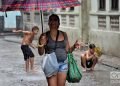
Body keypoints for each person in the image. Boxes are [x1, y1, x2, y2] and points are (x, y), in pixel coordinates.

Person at [38, 14, 80, 86]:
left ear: (59, 23)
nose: (53, 22)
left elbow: (68, 51)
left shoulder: (64, 34)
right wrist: (42, 44)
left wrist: (74, 46)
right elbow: (41, 53)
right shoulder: (44, 36)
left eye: (55, 20)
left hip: (63, 64)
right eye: (51, 20)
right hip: (50, 64)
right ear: (48, 23)